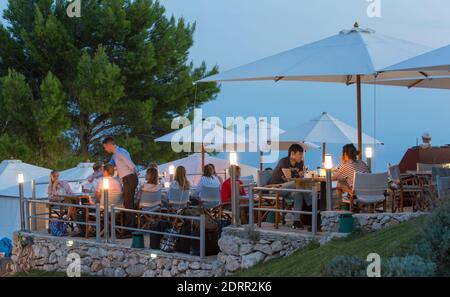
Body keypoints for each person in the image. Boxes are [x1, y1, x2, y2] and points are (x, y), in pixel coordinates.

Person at [102, 136, 138, 238]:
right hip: (126, 179)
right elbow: (109, 166)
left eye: (105, 147)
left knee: (128, 204)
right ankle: (128, 229)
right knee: (127, 204)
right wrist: (95, 174)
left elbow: (128, 162)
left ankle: (129, 231)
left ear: (109, 145)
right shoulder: (114, 156)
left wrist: (135, 171)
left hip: (130, 177)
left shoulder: (120, 152)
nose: (105, 149)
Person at [270, 144, 308, 229]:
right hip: (277, 188)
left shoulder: (300, 164)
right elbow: (289, 180)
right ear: (292, 153)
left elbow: (300, 179)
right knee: (298, 184)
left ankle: (296, 221)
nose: (301, 157)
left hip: (290, 190)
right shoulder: (284, 161)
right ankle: (310, 202)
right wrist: (299, 177)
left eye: (302, 154)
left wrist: (302, 177)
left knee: (299, 193)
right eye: (300, 154)